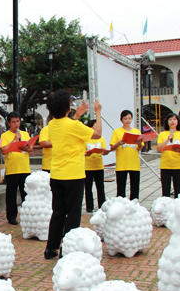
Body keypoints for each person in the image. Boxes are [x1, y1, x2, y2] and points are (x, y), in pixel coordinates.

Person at [45, 91, 102, 260]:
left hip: (56, 174)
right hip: (74, 175)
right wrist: (98, 112)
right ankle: (67, 249)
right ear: (67, 108)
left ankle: (51, 248)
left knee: (58, 212)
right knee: (73, 214)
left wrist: (76, 115)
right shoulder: (73, 126)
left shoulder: (52, 125)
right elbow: (97, 134)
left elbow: (68, 127)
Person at [0, 111, 33, 225]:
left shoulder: (25, 134)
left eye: (18, 121)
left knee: (25, 193)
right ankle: (12, 217)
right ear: (9, 123)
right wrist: (14, 140)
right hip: (12, 169)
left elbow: (31, 149)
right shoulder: (5, 135)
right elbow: (3, 150)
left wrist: (26, 148)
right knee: (11, 194)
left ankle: (26, 215)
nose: (16, 124)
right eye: (13, 122)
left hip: (25, 168)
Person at [109, 110, 143, 200]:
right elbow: (112, 147)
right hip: (122, 164)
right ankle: (121, 205)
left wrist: (139, 143)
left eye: (129, 118)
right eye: (125, 118)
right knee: (121, 189)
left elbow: (140, 148)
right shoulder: (117, 132)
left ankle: (134, 204)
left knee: (135, 188)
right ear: (121, 120)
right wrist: (119, 143)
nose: (127, 120)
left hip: (134, 163)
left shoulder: (136, 131)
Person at [156, 113, 180, 198]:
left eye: (174, 119)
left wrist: (179, 150)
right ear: (167, 122)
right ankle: (165, 207)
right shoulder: (162, 134)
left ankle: (177, 208)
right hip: (165, 165)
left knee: (178, 190)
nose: (172, 121)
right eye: (170, 119)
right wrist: (167, 139)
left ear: (178, 122)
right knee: (165, 189)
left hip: (178, 165)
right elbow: (159, 149)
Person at [84, 119, 109, 212]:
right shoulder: (85, 139)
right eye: (94, 126)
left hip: (98, 166)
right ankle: (89, 207)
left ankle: (102, 206)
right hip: (87, 166)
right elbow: (82, 152)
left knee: (100, 186)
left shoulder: (101, 138)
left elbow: (103, 151)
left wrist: (105, 152)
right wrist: (87, 154)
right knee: (88, 187)